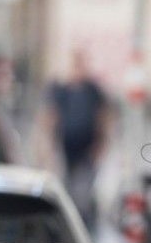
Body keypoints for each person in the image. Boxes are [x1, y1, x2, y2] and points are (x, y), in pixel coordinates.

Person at [38, 48, 112, 229]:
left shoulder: (92, 90)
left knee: (84, 192)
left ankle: (83, 225)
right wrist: (46, 147)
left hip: (86, 147)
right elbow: (49, 117)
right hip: (65, 147)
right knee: (64, 188)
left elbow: (103, 117)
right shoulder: (60, 89)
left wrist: (102, 144)